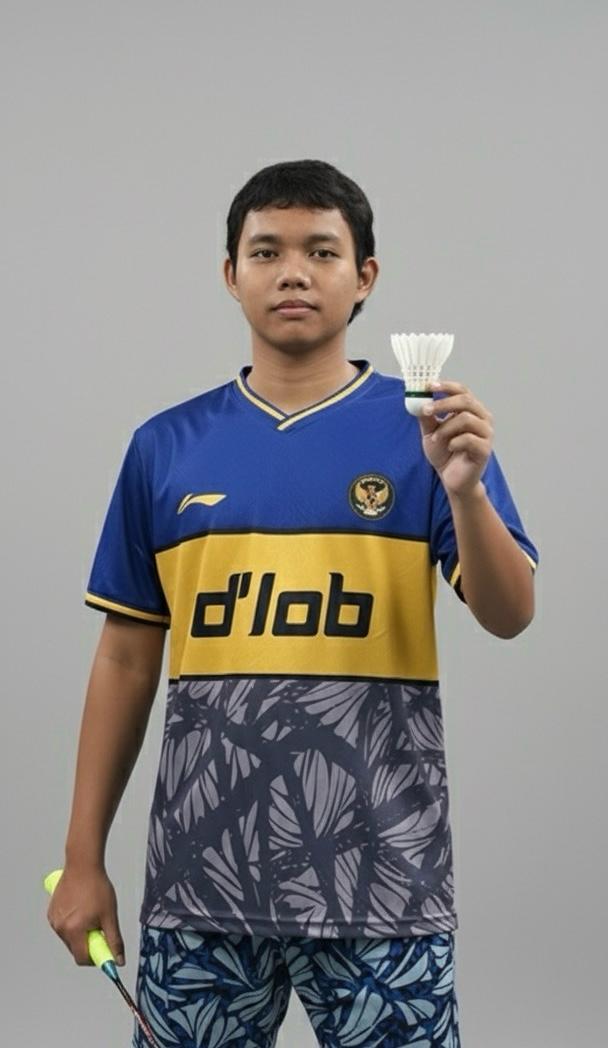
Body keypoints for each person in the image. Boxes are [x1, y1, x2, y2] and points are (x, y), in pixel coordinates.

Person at [47, 158, 539, 1047]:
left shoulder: (429, 434)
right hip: (200, 886)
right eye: (267, 251)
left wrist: (464, 490)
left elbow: (510, 614)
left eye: (321, 250)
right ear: (231, 274)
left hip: (385, 883)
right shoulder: (165, 447)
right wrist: (83, 859)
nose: (294, 273)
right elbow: (124, 659)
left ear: (365, 276)